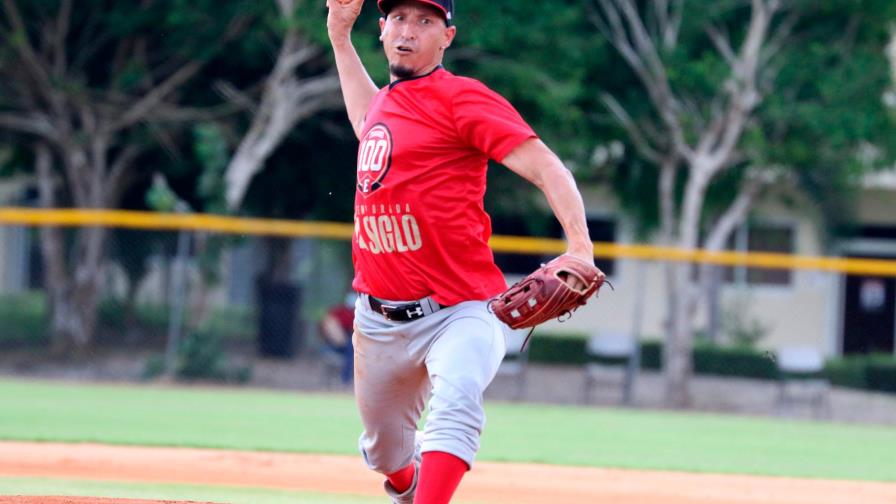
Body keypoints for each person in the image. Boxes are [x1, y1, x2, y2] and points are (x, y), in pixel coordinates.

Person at [326, 1, 600, 502]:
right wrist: (340, 37)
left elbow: (546, 166)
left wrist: (580, 245)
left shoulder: (461, 99)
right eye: (400, 19)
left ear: (447, 37)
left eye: (425, 21)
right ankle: (407, 484)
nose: (409, 32)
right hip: (378, 320)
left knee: (456, 402)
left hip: (462, 309)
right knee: (386, 453)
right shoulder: (386, 105)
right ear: (382, 29)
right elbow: (367, 119)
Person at [319, 292, 357, 385]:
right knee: (350, 347)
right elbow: (328, 327)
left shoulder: (357, 313)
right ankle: (346, 378)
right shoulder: (337, 312)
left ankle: (347, 378)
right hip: (336, 344)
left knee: (351, 347)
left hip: (352, 342)